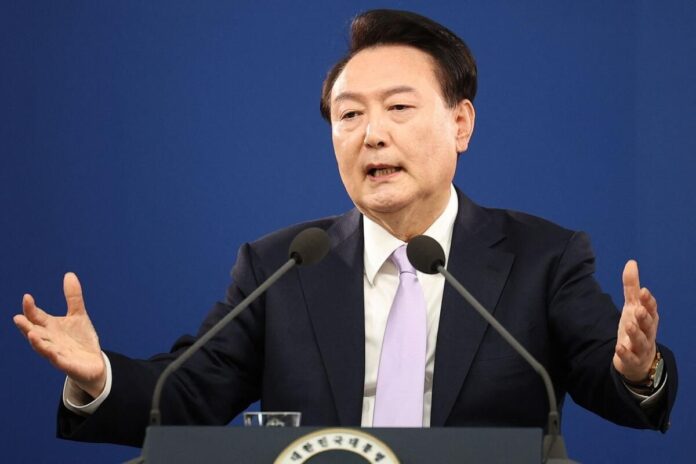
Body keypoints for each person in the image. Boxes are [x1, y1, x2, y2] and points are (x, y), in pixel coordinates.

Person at [13, 9, 677, 448]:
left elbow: (613, 380)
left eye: (398, 107)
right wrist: (98, 375)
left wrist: (637, 368)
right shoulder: (281, 264)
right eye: (349, 115)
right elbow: (184, 396)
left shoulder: (543, 257)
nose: (372, 134)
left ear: (460, 124)